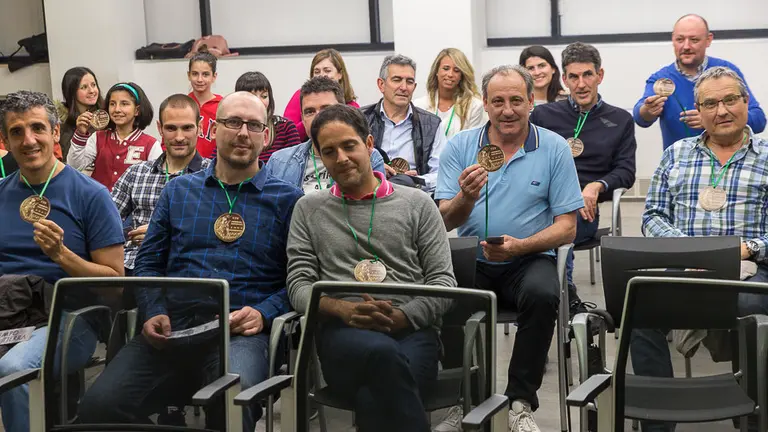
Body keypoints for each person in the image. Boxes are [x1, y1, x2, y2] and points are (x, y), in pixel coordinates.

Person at [77, 92, 303, 432]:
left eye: (254, 125)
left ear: (267, 135)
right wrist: (153, 310)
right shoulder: (178, 192)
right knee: (98, 407)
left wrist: (264, 312)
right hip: (173, 325)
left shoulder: (288, 199)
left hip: (240, 333)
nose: (243, 133)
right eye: (233, 122)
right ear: (213, 130)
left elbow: (296, 280)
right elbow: (149, 263)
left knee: (232, 401)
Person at [286, 104, 455, 431]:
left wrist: (402, 316)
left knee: (372, 396)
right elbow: (299, 285)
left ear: (369, 144)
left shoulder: (418, 204)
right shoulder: (308, 209)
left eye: (349, 146)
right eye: (329, 151)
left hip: (412, 332)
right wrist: (343, 310)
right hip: (343, 336)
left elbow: (443, 283)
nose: (341, 158)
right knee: (383, 357)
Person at [434, 65, 583, 432]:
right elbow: (445, 221)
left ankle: (519, 402)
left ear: (531, 102)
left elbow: (568, 227)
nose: (507, 110)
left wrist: (520, 247)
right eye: (498, 101)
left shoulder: (553, 147)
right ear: (485, 104)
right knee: (442, 294)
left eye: (516, 100)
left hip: (529, 259)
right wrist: (466, 197)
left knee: (544, 294)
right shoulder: (460, 146)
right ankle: (464, 399)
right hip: (474, 260)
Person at [637, 66, 768, 432]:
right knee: (640, 308)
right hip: (685, 266)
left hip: (749, 269)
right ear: (699, 110)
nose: (721, 111)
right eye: (710, 103)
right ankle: (657, 419)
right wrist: (687, 250)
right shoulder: (676, 154)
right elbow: (652, 216)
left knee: (753, 307)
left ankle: (753, 411)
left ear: (746, 102)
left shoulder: (766, 157)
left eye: (730, 100)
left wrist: (748, 248)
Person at [0, 90, 124, 432]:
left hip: (68, 317)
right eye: (17, 132)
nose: (28, 140)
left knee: (13, 370)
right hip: (7, 309)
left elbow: (116, 284)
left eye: (38, 128)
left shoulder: (91, 195)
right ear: (5, 141)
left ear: (55, 132)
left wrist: (61, 255)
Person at [529, 42, 636, 310]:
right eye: (573, 77)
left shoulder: (620, 120)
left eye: (587, 75)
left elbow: (626, 171)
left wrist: (597, 186)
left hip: (582, 210)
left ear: (600, 75)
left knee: (558, 229)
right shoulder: (543, 116)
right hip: (541, 203)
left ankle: (559, 300)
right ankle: (561, 300)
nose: (581, 84)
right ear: (564, 79)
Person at [111, 94, 210, 276]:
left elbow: (217, 233)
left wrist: (159, 234)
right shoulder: (137, 173)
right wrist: (129, 234)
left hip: (188, 271)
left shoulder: (212, 176)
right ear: (159, 128)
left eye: (187, 128)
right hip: (133, 268)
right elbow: (105, 223)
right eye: (171, 128)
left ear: (200, 127)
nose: (179, 137)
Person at [633, 14, 765, 150]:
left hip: (730, 159)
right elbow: (640, 118)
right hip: (681, 160)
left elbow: (759, 120)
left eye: (694, 40)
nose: (686, 46)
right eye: (680, 39)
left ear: (708, 40)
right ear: (673, 39)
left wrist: (711, 119)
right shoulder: (661, 78)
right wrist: (648, 111)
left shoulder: (728, 72)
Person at [266, 76, 385, 193]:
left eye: (327, 109)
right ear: (302, 118)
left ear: (344, 111)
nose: (318, 117)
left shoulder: (370, 157)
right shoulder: (279, 162)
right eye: (309, 112)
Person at [361, 54, 446, 192]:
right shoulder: (360, 118)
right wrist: (376, 170)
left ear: (414, 87)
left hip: (414, 195)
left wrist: (415, 181)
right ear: (381, 85)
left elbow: (441, 173)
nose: (404, 87)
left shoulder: (432, 124)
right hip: (369, 193)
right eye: (397, 80)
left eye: (409, 82)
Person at [67, 82, 162, 191]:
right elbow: (74, 166)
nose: (117, 109)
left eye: (124, 104)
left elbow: (156, 183)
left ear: (137, 110)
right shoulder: (98, 138)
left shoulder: (151, 145)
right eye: (112, 104)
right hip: (99, 201)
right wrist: (80, 133)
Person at [283, 48, 360, 141]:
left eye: (327, 71)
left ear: (340, 74)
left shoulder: (352, 107)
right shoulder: (300, 96)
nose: (322, 75)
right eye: (317, 72)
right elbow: (286, 133)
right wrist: (310, 119)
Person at [413, 48, 486, 139]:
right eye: (446, 68)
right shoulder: (419, 105)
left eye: (456, 70)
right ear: (436, 71)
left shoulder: (474, 106)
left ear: (462, 75)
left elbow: (472, 142)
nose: (450, 74)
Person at [235, 71, 301, 163]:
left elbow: (296, 164)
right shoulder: (230, 127)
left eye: (264, 96)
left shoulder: (285, 127)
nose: (259, 101)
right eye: (252, 96)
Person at [56, 66, 104, 160]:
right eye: (84, 87)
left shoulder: (106, 117)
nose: (92, 91)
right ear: (71, 92)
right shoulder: (60, 125)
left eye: (94, 85)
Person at [188, 52, 223, 158]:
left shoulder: (223, 106)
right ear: (188, 75)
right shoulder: (182, 105)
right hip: (185, 164)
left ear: (214, 76)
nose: (200, 79)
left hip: (214, 164)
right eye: (195, 74)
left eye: (205, 74)